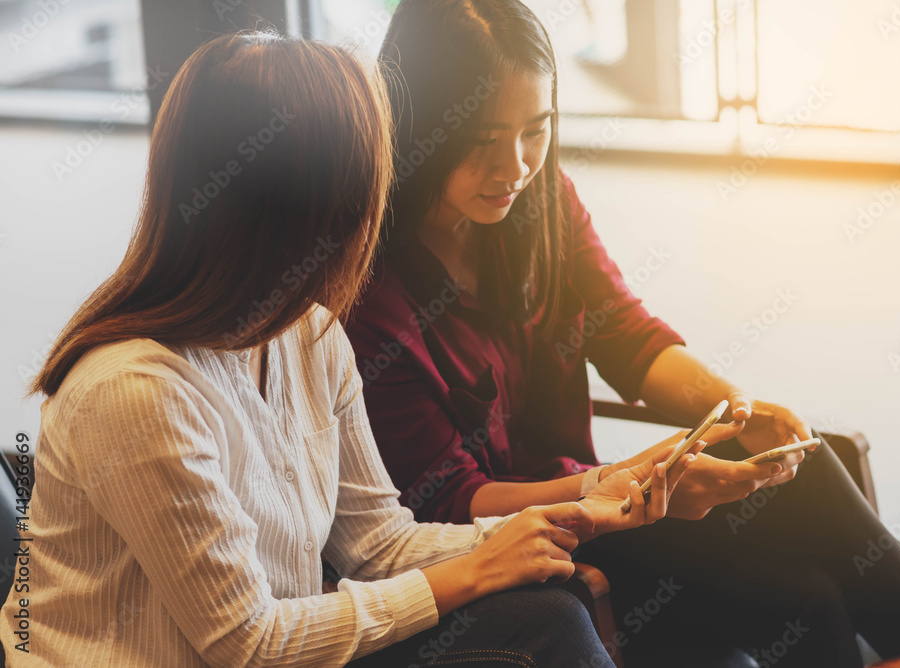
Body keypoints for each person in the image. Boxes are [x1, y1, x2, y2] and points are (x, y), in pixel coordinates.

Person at [0, 31, 693, 668]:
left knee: (548, 612)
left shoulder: (311, 337)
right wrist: (473, 570)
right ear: (306, 210)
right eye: (367, 192)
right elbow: (248, 642)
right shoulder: (136, 390)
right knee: (549, 627)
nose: (378, 218)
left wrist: (555, 523)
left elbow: (377, 543)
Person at [342, 1, 900, 666]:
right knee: (806, 586)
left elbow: (627, 336)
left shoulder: (542, 203)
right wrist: (615, 487)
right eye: (484, 140)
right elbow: (452, 503)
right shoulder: (369, 291)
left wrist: (736, 407)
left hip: (607, 499)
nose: (514, 166)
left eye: (535, 130)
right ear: (421, 122)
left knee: (803, 470)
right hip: (527, 538)